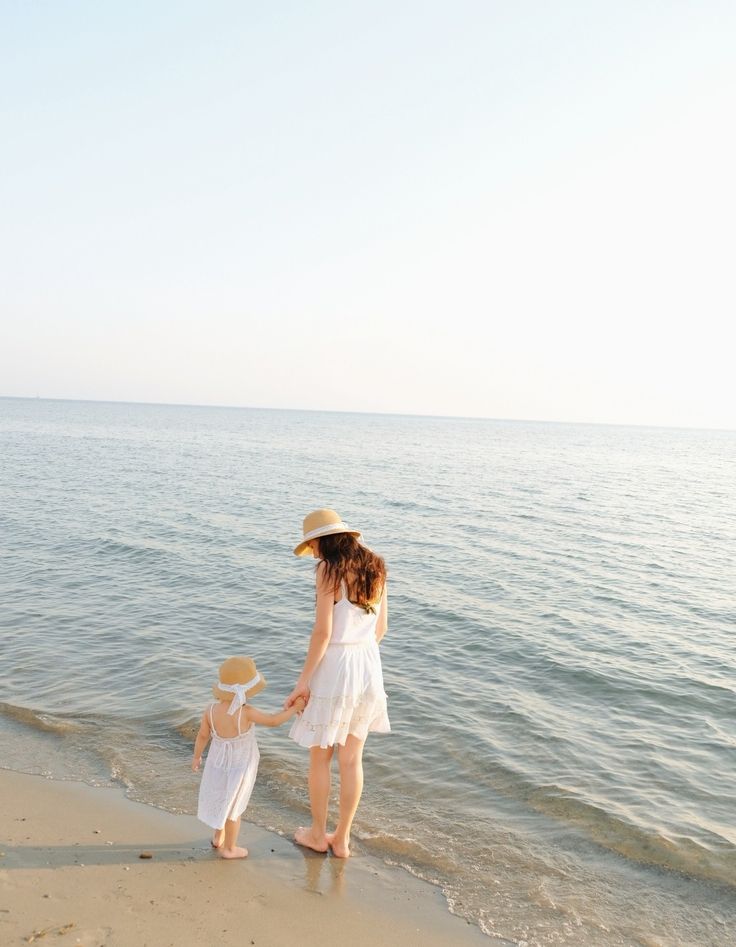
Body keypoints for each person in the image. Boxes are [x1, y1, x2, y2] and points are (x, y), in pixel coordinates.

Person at [285, 508, 390, 858]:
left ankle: (317, 834)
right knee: (351, 760)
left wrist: (303, 681)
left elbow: (323, 631)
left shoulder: (329, 569)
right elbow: (381, 629)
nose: (312, 552)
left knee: (320, 756)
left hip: (336, 664)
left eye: (312, 544)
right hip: (367, 664)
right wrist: (360, 656)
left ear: (323, 540)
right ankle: (342, 840)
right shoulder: (376, 565)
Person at [192, 655, 305, 859]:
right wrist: (295, 708)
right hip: (240, 765)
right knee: (234, 806)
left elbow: (202, 735)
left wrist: (197, 757)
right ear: (246, 690)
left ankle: (219, 838)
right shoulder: (247, 713)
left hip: (217, 764)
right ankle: (230, 848)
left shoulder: (210, 711)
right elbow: (273, 721)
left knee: (221, 798)